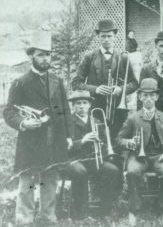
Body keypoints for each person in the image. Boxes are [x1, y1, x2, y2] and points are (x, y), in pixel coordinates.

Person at [3, 31, 73, 226]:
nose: (45, 58)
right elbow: (8, 111)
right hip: (31, 141)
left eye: (48, 54)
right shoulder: (21, 82)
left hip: (54, 139)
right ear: (31, 55)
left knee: (50, 179)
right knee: (28, 181)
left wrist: (68, 136)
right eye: (41, 54)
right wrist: (23, 123)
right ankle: (24, 219)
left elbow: (66, 111)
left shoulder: (57, 81)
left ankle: (48, 218)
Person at [117, 78, 163, 225]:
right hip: (138, 156)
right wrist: (129, 143)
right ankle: (135, 208)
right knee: (131, 172)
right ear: (140, 97)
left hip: (159, 155)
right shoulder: (132, 118)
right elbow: (118, 140)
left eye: (152, 95)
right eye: (145, 95)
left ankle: (162, 207)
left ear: (157, 97)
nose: (149, 98)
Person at [71, 19, 138, 137]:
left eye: (109, 36)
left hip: (118, 110)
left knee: (118, 142)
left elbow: (134, 83)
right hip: (95, 109)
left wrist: (121, 89)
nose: (106, 39)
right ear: (98, 37)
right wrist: (95, 89)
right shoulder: (89, 57)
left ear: (115, 37)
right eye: (103, 36)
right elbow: (76, 83)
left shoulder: (123, 57)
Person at [64, 90, 121, 220]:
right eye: (78, 103)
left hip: (93, 159)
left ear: (90, 105)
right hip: (73, 160)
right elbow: (62, 147)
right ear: (73, 106)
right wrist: (82, 141)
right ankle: (81, 213)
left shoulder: (96, 121)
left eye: (85, 103)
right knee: (80, 172)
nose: (82, 106)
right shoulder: (67, 123)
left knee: (112, 170)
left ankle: (104, 211)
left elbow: (105, 145)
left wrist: (101, 144)